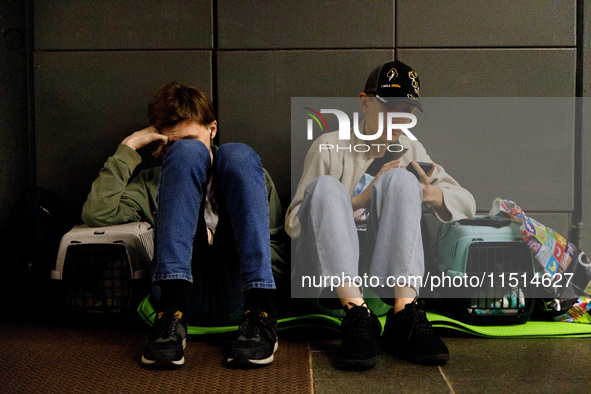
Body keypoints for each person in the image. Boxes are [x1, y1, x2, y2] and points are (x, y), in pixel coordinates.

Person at [82, 82, 286, 369]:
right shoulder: (154, 182)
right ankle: (170, 316)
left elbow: (275, 247)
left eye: (191, 138)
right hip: (180, 295)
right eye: (171, 145)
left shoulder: (251, 178)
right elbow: (97, 212)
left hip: (241, 293)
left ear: (212, 128)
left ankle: (261, 314)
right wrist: (128, 148)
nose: (180, 149)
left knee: (237, 154)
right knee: (187, 159)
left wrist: (217, 239)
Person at [286, 61, 476, 370]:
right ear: (365, 103)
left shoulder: (411, 150)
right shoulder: (329, 146)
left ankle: (405, 314)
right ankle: (357, 316)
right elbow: (295, 224)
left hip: (382, 286)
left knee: (402, 180)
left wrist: (430, 194)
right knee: (325, 187)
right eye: (391, 108)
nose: (399, 119)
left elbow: (466, 202)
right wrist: (361, 198)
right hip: (328, 286)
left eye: (408, 112)